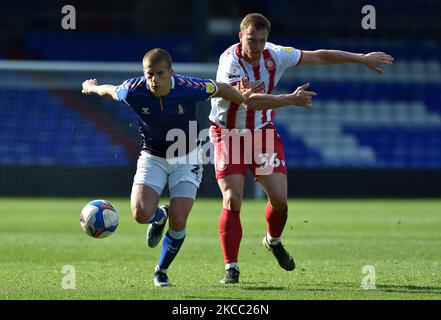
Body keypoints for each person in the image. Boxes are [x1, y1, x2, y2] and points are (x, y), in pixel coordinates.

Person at [81, 48, 316, 287]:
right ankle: (159, 216)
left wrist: (241, 96)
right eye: (149, 74)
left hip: (187, 157)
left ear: (171, 73)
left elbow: (221, 88)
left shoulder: (189, 87)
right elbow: (110, 91)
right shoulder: (134, 90)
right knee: (141, 214)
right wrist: (91, 88)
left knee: (180, 218)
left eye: (160, 73)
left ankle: (161, 270)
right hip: (152, 157)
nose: (153, 79)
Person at [210, 13, 394, 284]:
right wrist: (290, 99)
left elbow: (319, 56)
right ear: (241, 37)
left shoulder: (276, 54)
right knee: (232, 199)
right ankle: (232, 268)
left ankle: (273, 241)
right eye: (251, 39)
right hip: (228, 133)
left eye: (262, 40)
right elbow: (248, 101)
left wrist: (360, 58)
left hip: (262, 132)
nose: (257, 46)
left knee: (280, 200)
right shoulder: (230, 61)